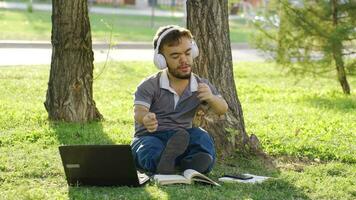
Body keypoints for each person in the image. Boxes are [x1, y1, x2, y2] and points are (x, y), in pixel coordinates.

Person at [131, 25, 228, 174]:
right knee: (149, 148)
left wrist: (211, 97)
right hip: (152, 135)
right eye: (175, 56)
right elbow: (138, 112)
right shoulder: (150, 85)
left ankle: (193, 163)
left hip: (182, 135)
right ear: (161, 60)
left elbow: (222, 108)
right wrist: (145, 118)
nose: (184, 60)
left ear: (193, 52)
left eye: (188, 53)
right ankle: (159, 162)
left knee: (201, 137)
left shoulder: (201, 85)